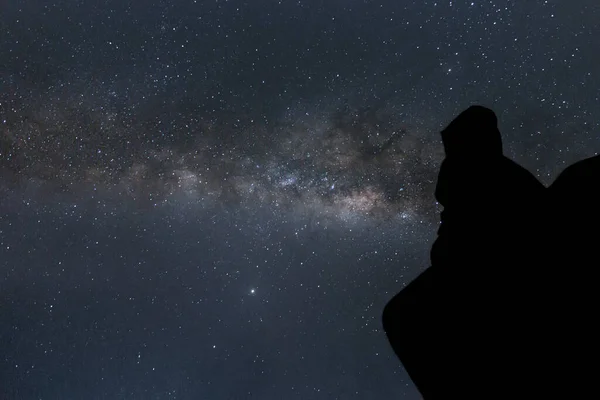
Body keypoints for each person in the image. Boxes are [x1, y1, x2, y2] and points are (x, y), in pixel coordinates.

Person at [382, 106, 548, 398]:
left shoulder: (492, 176)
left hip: (496, 273)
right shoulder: (489, 173)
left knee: (405, 316)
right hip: (483, 271)